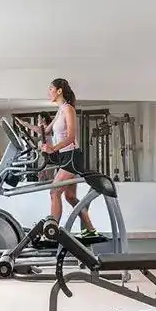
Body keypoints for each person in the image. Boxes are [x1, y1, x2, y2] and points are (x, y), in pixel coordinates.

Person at [17, 78, 99, 238]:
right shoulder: (60, 110)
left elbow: (71, 137)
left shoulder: (68, 109)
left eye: (50, 89)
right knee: (70, 197)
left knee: (54, 193)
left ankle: (51, 232)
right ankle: (90, 229)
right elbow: (45, 131)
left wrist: (52, 148)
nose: (49, 92)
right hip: (65, 156)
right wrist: (24, 125)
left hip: (72, 156)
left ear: (59, 90)